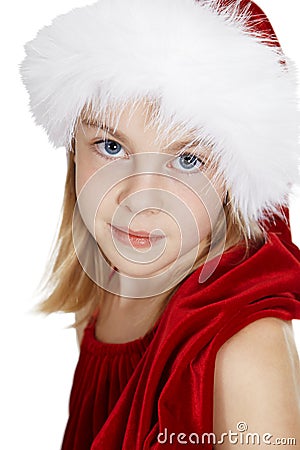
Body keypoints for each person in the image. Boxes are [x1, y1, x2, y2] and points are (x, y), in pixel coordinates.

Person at [19, 0, 300, 448]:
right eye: (111, 147)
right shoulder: (105, 286)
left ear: (234, 180)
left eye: (187, 160)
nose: (139, 199)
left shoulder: (245, 351)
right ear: (74, 145)